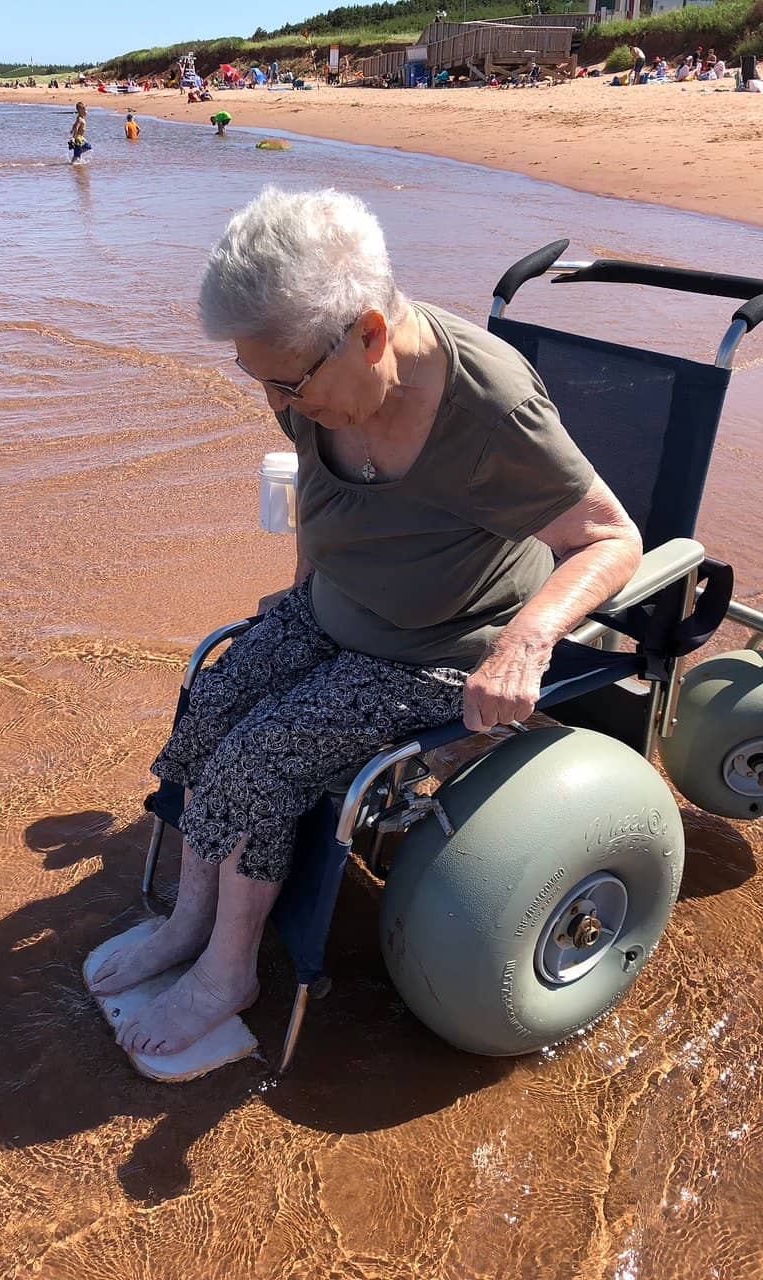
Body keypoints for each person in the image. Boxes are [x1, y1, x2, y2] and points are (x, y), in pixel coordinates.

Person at [86, 187, 643, 1057]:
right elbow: (316, 486)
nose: (276, 400)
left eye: (287, 383)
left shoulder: (489, 411)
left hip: (439, 642)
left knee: (262, 755)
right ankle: (188, 922)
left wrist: (523, 643)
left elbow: (610, 539)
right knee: (215, 695)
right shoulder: (311, 374)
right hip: (339, 607)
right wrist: (298, 595)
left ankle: (228, 970)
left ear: (371, 334)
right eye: (261, 380)